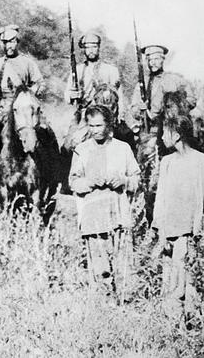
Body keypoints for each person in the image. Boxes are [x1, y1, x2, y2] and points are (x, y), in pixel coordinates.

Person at [151, 116, 204, 317]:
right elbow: (161, 197)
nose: (162, 137)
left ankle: (193, 321)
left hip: (190, 232)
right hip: (169, 229)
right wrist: (158, 227)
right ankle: (172, 321)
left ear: (177, 135)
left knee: (188, 278)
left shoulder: (200, 160)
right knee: (170, 275)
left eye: (165, 132)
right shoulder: (166, 162)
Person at [68, 104, 140, 295]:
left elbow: (136, 179)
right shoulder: (82, 150)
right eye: (91, 126)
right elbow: (73, 182)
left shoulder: (122, 148)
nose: (95, 131)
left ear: (108, 125)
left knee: (123, 265)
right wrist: (89, 182)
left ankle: (126, 303)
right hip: (93, 217)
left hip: (118, 215)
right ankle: (104, 306)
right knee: (100, 269)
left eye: (99, 126)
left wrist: (123, 181)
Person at [129, 44, 195, 139]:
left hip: (170, 129)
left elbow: (191, 100)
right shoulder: (142, 83)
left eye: (156, 59)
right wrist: (139, 108)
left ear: (163, 59)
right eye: (149, 60)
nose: (152, 63)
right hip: (149, 130)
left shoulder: (175, 80)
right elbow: (133, 109)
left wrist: (175, 108)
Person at [0, 24, 44, 119]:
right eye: (4, 43)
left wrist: (30, 93)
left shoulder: (27, 62)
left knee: (43, 130)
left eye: (11, 42)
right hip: (2, 109)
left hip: (25, 108)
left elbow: (40, 84)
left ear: (17, 42)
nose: (8, 46)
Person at [65, 31, 123, 112]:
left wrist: (121, 114)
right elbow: (67, 95)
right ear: (84, 50)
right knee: (73, 124)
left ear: (99, 48)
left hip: (106, 112)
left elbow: (118, 95)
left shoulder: (111, 70)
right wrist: (72, 96)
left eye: (94, 47)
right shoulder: (78, 70)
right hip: (84, 112)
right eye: (87, 47)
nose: (91, 50)